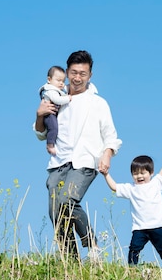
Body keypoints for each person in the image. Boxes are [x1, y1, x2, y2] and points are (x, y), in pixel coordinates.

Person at [34, 50, 122, 261]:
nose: (77, 78)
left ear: (90, 75)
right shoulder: (56, 99)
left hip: (85, 161)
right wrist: (39, 114)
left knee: (67, 201)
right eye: (73, 72)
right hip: (58, 162)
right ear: (67, 72)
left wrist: (107, 155)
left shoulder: (98, 103)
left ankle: (91, 244)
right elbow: (41, 133)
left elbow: (111, 135)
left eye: (83, 73)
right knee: (56, 212)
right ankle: (70, 260)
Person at [103, 145, 162, 268]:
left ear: (151, 173)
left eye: (143, 173)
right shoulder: (131, 188)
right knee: (133, 249)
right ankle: (132, 269)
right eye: (135, 174)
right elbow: (115, 187)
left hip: (158, 226)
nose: (139, 176)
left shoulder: (156, 183)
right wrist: (106, 174)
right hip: (140, 228)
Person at [39, 65, 71, 155]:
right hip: (49, 115)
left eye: (63, 81)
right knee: (53, 128)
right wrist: (68, 98)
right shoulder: (51, 91)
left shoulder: (56, 89)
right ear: (49, 80)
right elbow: (57, 100)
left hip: (52, 113)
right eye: (58, 80)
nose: (61, 83)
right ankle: (50, 144)